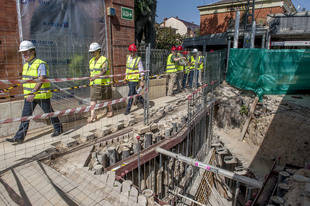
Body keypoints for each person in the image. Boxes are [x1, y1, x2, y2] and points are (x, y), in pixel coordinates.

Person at [6, 40, 63, 144]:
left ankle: (58, 128)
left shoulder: (40, 64)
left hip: (41, 95)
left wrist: (33, 92)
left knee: (49, 113)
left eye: (26, 52)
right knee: (25, 117)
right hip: (29, 96)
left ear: (32, 51)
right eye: (22, 53)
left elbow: (41, 78)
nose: (24, 54)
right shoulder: (26, 65)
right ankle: (19, 137)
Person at [88, 42, 113, 122]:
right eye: (91, 52)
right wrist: (92, 77)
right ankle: (93, 115)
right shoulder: (91, 61)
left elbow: (104, 71)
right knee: (93, 99)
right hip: (94, 84)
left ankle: (110, 110)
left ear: (98, 51)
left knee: (107, 98)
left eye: (93, 52)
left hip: (104, 83)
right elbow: (92, 72)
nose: (92, 53)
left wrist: (95, 77)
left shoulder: (104, 60)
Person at [124, 43, 144, 115]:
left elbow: (141, 70)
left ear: (135, 51)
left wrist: (141, 80)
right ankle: (143, 102)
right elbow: (127, 69)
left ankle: (128, 109)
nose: (132, 53)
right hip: (129, 79)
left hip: (134, 79)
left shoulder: (138, 59)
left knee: (130, 94)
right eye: (131, 51)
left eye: (133, 51)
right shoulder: (128, 58)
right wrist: (125, 77)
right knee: (134, 93)